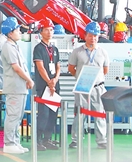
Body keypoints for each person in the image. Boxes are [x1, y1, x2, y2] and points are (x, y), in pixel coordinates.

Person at [68, 21, 110, 149]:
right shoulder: (77, 52)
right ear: (85, 36)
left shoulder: (103, 52)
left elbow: (105, 70)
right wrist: (80, 78)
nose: (93, 38)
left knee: (100, 113)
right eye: (90, 35)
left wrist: (96, 79)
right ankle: (76, 140)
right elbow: (71, 68)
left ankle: (101, 140)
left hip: (98, 87)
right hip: (82, 87)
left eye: (95, 36)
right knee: (80, 114)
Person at [0, 18, 34, 154]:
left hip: (20, 87)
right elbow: (16, 68)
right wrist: (29, 79)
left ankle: (15, 141)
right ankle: (8, 144)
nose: (20, 32)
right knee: (13, 115)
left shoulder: (15, 46)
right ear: (10, 33)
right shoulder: (8, 47)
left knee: (18, 116)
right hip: (14, 87)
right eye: (17, 30)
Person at [33, 18, 60, 151]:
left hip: (54, 87)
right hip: (43, 87)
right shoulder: (38, 48)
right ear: (41, 32)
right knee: (43, 115)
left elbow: (58, 66)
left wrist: (55, 80)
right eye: (46, 30)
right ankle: (37, 140)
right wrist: (49, 82)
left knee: (53, 114)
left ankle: (47, 139)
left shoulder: (54, 49)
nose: (49, 32)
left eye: (51, 30)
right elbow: (41, 67)